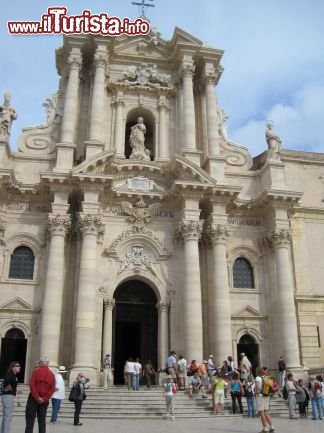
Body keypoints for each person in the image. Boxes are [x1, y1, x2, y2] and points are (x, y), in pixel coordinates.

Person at [24, 356, 56, 433]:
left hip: (33, 399)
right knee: (42, 420)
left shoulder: (35, 372)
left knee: (30, 421)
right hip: (44, 401)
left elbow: (32, 385)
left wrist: (37, 397)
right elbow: (52, 389)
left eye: (39, 363)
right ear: (47, 364)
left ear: (41, 363)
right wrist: (44, 398)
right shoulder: (52, 374)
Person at [1, 361, 21, 433]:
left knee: (6, 417)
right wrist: (11, 390)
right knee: (8, 417)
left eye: (19, 366)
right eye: (17, 366)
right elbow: (6, 383)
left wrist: (14, 390)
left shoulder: (12, 375)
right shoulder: (10, 374)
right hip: (8, 397)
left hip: (8, 396)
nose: (19, 367)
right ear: (13, 367)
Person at [255, 367, 275, 433]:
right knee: (266, 412)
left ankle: (265, 428)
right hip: (266, 395)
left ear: (258, 372)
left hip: (260, 395)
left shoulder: (258, 378)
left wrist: (257, 392)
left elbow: (257, 386)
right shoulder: (266, 377)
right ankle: (271, 426)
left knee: (262, 413)